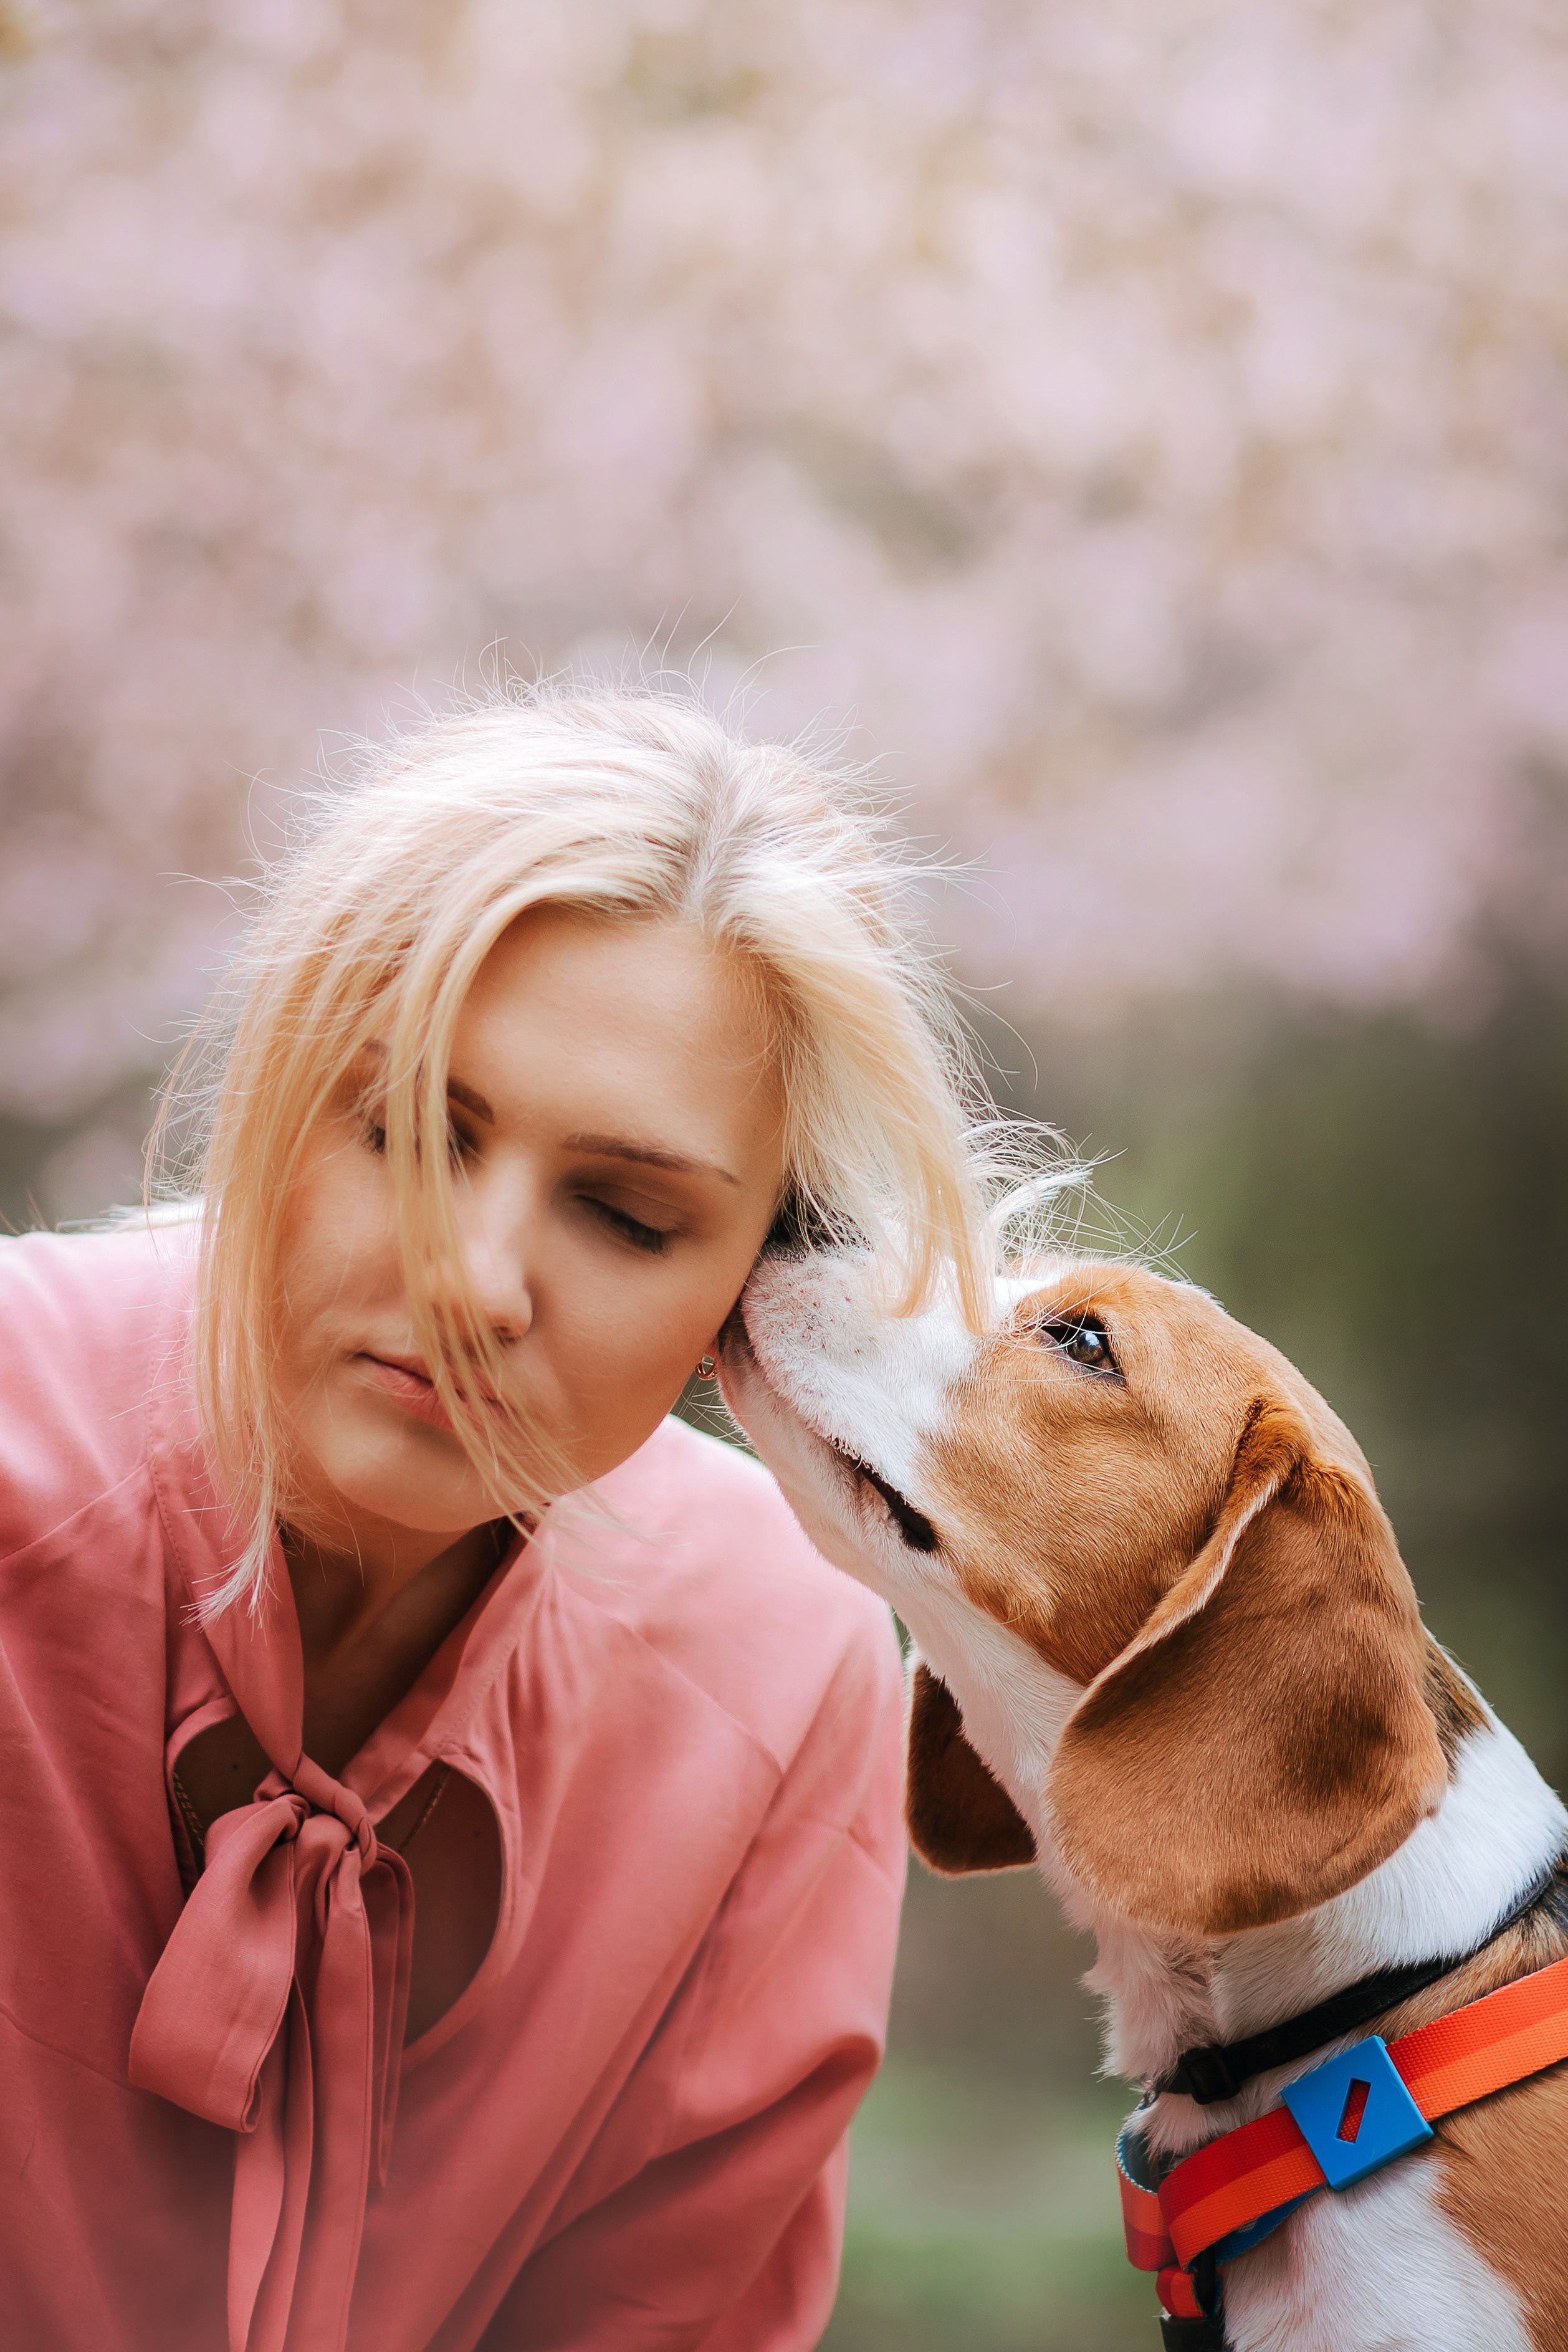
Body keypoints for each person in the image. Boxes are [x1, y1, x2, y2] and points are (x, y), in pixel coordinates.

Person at [0, 688, 1005, 2352]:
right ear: (275, 1092)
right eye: (400, 1127)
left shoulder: (774, 1668)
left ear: (754, 1296)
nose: (473, 1282)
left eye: (622, 1214)